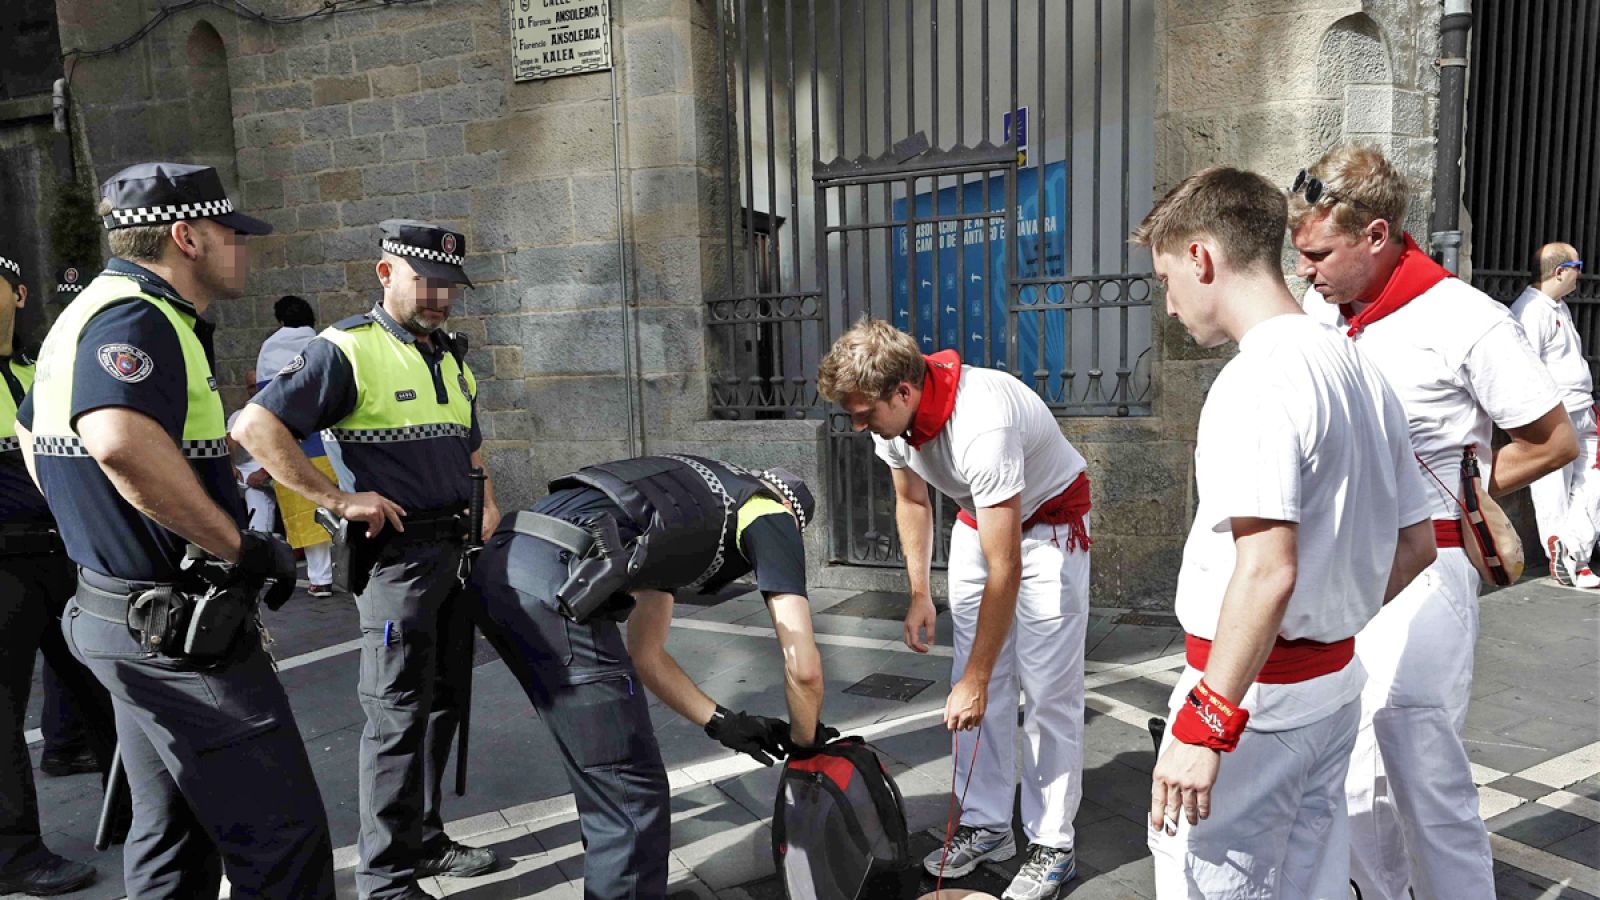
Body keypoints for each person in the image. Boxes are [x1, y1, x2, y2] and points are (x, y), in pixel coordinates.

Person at [15, 162, 336, 897]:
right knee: (282, 842)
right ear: (186, 236)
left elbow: (35, 434)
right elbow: (119, 439)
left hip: (119, 612)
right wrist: (240, 546)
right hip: (178, 632)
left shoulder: (89, 309)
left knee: (171, 838)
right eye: (230, 234)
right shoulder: (139, 317)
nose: (242, 248)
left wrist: (93, 526)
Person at [1132, 166, 1436, 897]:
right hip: (1329, 688)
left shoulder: (1257, 378)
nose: (1170, 308)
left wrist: (1207, 725)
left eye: (1166, 280)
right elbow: (1416, 544)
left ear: (1201, 258)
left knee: (1215, 882)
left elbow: (1267, 570)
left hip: (1252, 703)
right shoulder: (1357, 366)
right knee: (1310, 879)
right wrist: (1329, 617)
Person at [1290, 144, 1578, 900]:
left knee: (1420, 763)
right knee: (1349, 763)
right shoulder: (1323, 313)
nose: (1306, 272)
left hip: (1431, 560)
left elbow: (1555, 439)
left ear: (1376, 234)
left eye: (1319, 253)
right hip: (1345, 569)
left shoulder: (1465, 318)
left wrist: (1469, 486)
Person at [234, 219, 501, 900]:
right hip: (397, 564)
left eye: (449, 286)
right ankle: (384, 880)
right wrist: (334, 498)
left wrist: (488, 499)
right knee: (396, 715)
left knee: (441, 705)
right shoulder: (345, 349)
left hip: (452, 553)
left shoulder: (448, 354)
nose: (440, 296)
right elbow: (255, 427)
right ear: (387, 275)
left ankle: (425, 841)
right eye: (426, 282)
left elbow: (468, 444)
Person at [817, 319, 1091, 900]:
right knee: (969, 686)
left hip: (1049, 527)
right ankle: (988, 825)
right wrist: (920, 591)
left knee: (1047, 689)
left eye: (863, 411)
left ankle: (1052, 843)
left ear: (903, 391)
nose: (857, 424)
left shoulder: (981, 422)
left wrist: (978, 677)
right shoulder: (888, 421)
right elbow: (911, 497)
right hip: (980, 516)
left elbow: (1007, 568)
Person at [469, 455, 827, 897]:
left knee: (604, 777)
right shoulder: (770, 511)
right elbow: (804, 668)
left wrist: (723, 722)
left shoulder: (687, 501)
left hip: (499, 566)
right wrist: (805, 745)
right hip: (552, 577)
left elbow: (646, 654)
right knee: (629, 794)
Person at [0, 247, 114, 895]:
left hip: (63, 553)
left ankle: (133, 812)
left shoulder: (43, 371)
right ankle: (14, 852)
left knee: (106, 687)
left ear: (18, 295)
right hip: (2, 569)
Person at [1510, 244, 1598, 587]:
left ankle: (1573, 548)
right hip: (1553, 411)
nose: (1581, 272)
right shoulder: (1531, 311)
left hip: (1580, 408)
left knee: (1592, 480)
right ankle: (1567, 556)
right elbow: (1524, 366)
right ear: (1560, 271)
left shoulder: (1557, 306)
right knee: (1552, 486)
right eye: (1577, 265)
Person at [254, 295, 336, 596]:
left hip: (292, 444)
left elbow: (267, 401)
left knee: (306, 509)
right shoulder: (323, 342)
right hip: (330, 440)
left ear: (280, 320)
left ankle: (320, 578)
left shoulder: (269, 349)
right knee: (339, 503)